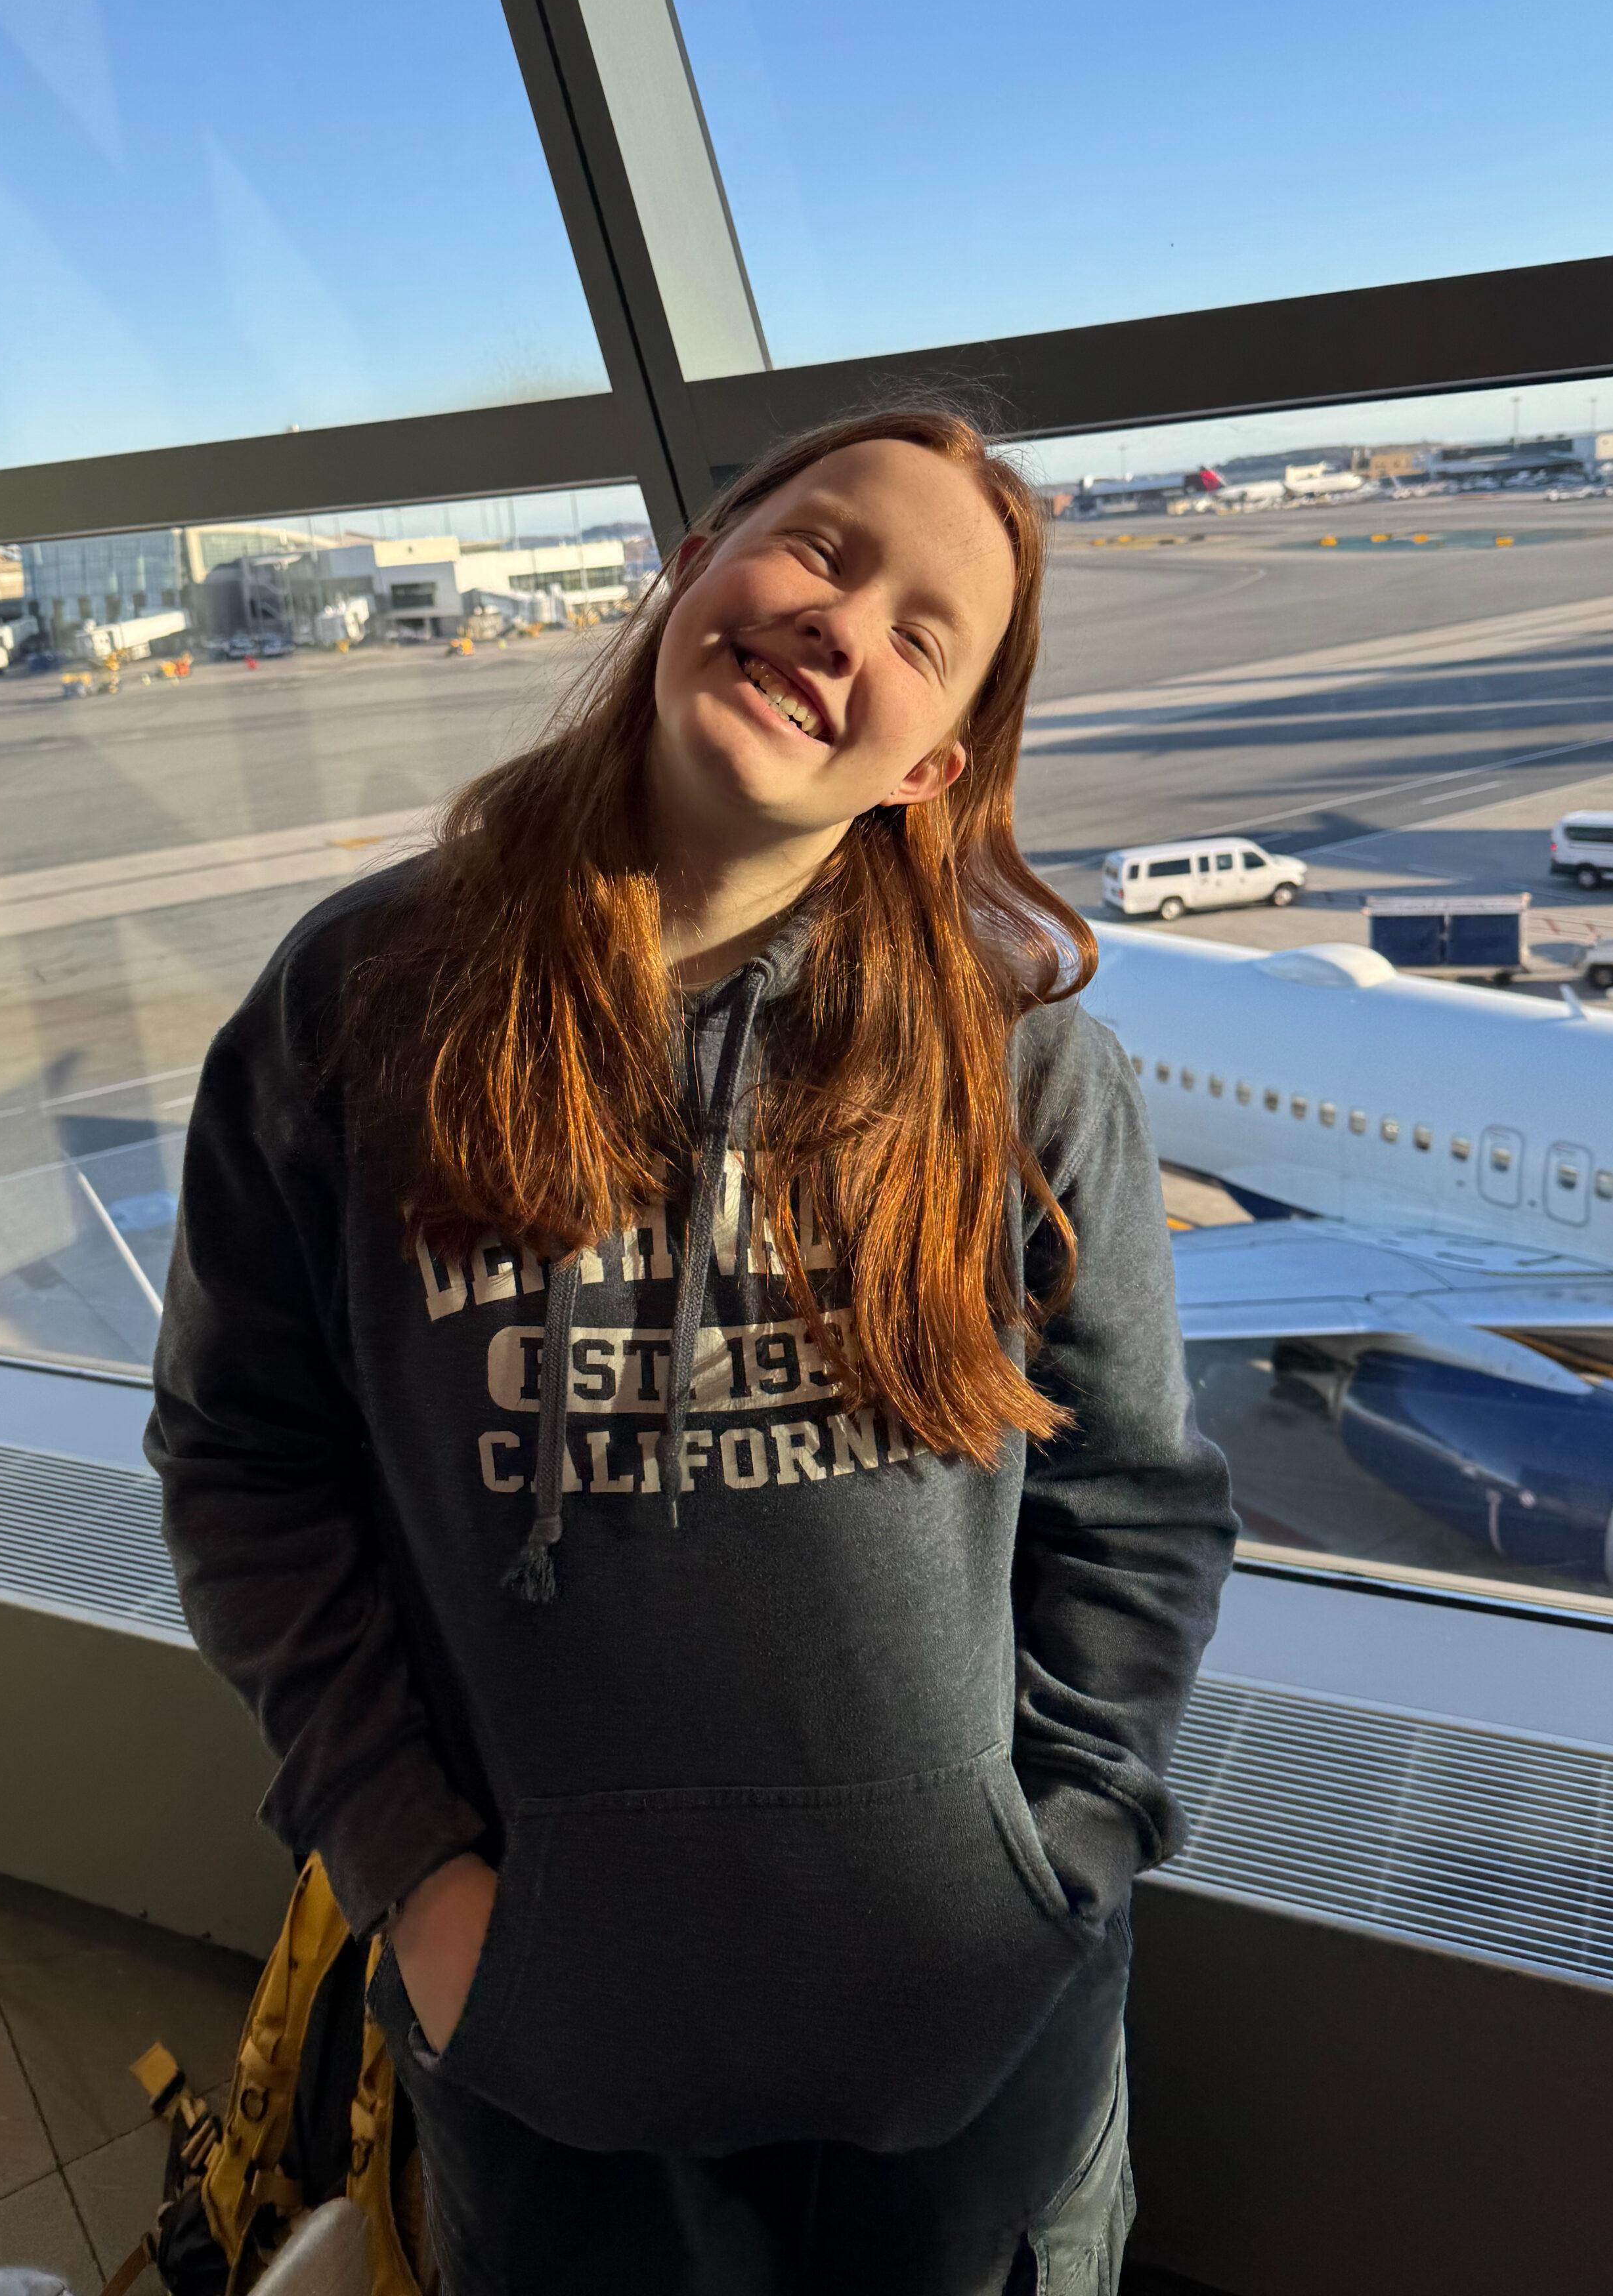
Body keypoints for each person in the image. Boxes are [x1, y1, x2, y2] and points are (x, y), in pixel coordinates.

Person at [146, 408, 1236, 2296]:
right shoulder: (360, 1009)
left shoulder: (1021, 1067)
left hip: (977, 2027)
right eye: (816, 550)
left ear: (936, 764)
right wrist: (421, 1878)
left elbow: (1135, 1505)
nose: (843, 627)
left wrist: (1057, 1863)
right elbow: (244, 1466)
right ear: (689, 566)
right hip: (546, 2036)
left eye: (921, 633)